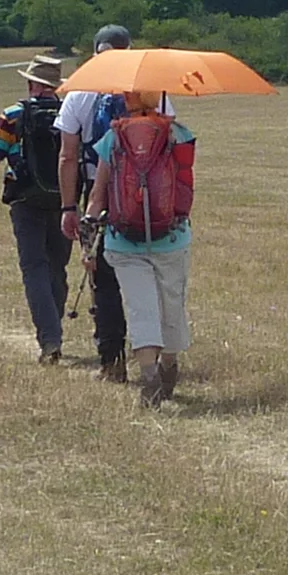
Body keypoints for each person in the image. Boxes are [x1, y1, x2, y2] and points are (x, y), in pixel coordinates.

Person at [57, 24, 173, 383]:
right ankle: (159, 359)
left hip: (100, 191)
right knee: (153, 277)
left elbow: (67, 155)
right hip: (153, 194)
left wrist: (68, 208)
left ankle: (112, 361)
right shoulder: (156, 91)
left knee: (104, 280)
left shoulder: (80, 93)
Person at [84, 89, 195, 407]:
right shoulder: (180, 133)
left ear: (130, 100)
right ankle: (169, 368)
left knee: (140, 308)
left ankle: (149, 378)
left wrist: (89, 236)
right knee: (171, 304)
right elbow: (185, 186)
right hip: (172, 238)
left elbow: (98, 193)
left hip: (123, 239)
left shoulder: (114, 136)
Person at [0, 55, 73, 363]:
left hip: (25, 200)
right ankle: (53, 328)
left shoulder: (14, 115)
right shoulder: (70, 111)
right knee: (57, 267)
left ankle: (50, 338)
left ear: (32, 83)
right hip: (63, 199)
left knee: (34, 269)